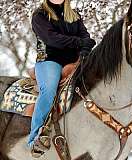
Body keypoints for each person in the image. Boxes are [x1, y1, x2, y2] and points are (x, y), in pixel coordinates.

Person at [28, 0, 96, 157]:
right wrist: (80, 42)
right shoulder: (40, 15)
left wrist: (85, 48)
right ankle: (35, 138)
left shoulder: (74, 15)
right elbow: (52, 39)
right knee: (49, 91)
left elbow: (85, 35)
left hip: (74, 62)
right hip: (50, 61)